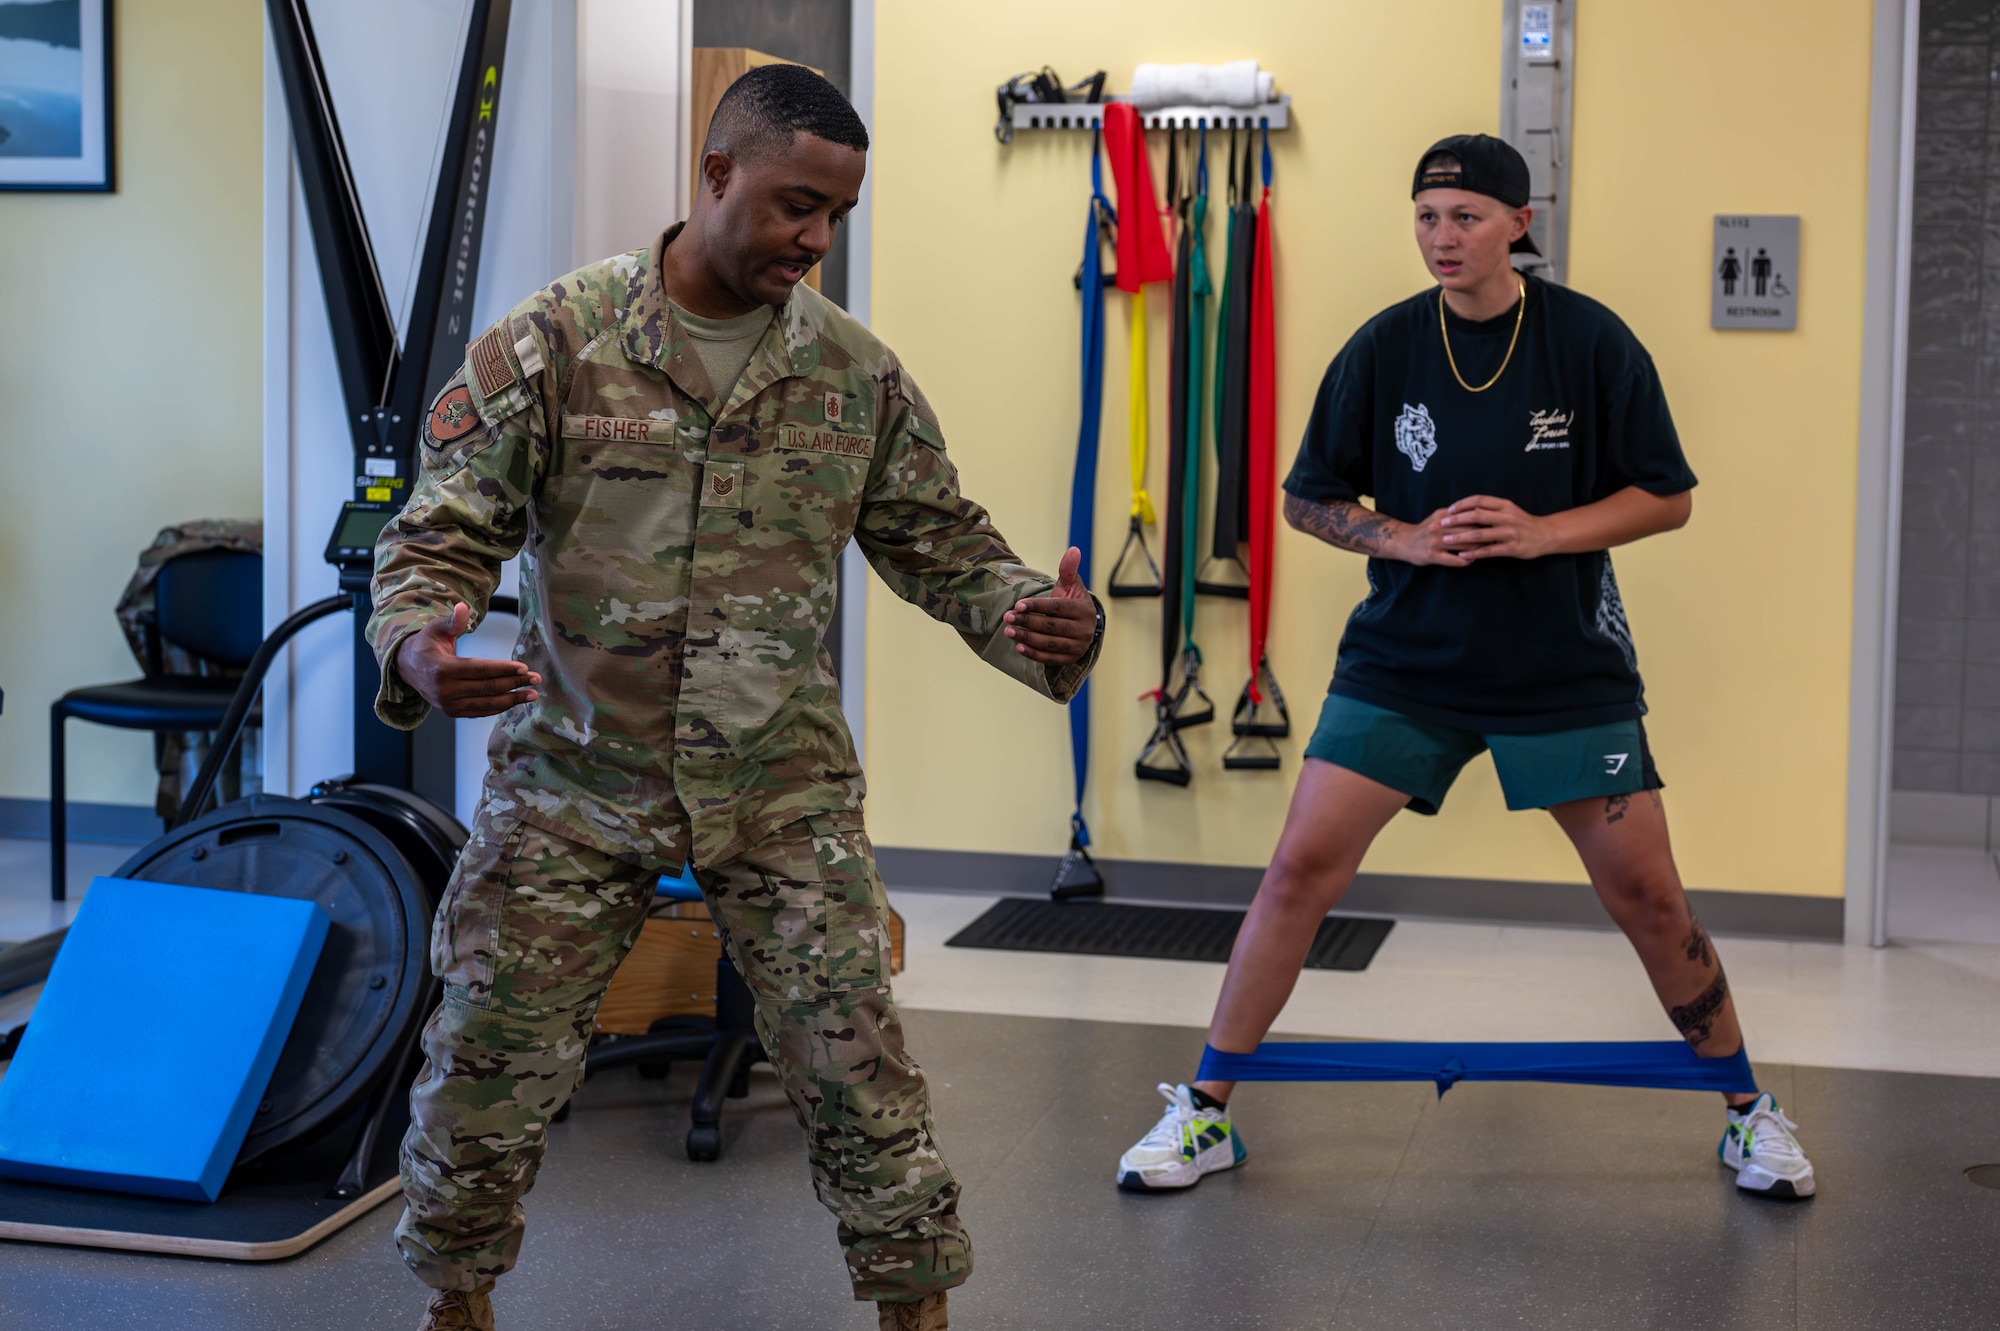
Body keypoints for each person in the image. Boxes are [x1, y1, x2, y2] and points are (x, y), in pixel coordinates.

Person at [371, 64, 1103, 1331]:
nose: (814, 242)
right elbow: (432, 542)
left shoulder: (851, 373)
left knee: (861, 1077)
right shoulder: (556, 341)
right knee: (483, 1070)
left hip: (779, 787)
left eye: (835, 219)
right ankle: (456, 1300)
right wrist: (417, 653)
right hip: (573, 786)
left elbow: (948, 546)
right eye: (791, 206)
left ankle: (912, 1308)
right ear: (715, 176)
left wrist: (1033, 614)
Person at [1114, 134, 1814, 1203]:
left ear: (1515, 225)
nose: (1443, 238)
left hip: (1562, 668)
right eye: (1427, 216)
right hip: (1404, 663)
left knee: (1647, 894)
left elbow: (1663, 495)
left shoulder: (1586, 341)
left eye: (1467, 217)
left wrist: (1541, 534)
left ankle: (1746, 1111)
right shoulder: (1383, 347)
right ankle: (1205, 1110)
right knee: (1298, 870)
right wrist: (1394, 539)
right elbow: (1308, 497)